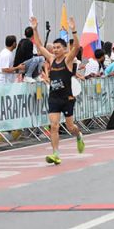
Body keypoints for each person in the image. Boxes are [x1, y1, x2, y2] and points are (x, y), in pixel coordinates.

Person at [30, 16, 85, 165]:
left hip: (67, 99)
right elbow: (39, 46)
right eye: (54, 48)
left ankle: (78, 135)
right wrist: (35, 29)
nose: (55, 50)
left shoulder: (68, 60)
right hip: (54, 98)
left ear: (64, 49)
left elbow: (77, 47)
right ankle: (55, 154)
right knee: (54, 126)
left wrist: (74, 30)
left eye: (58, 47)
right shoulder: (51, 59)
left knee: (70, 127)